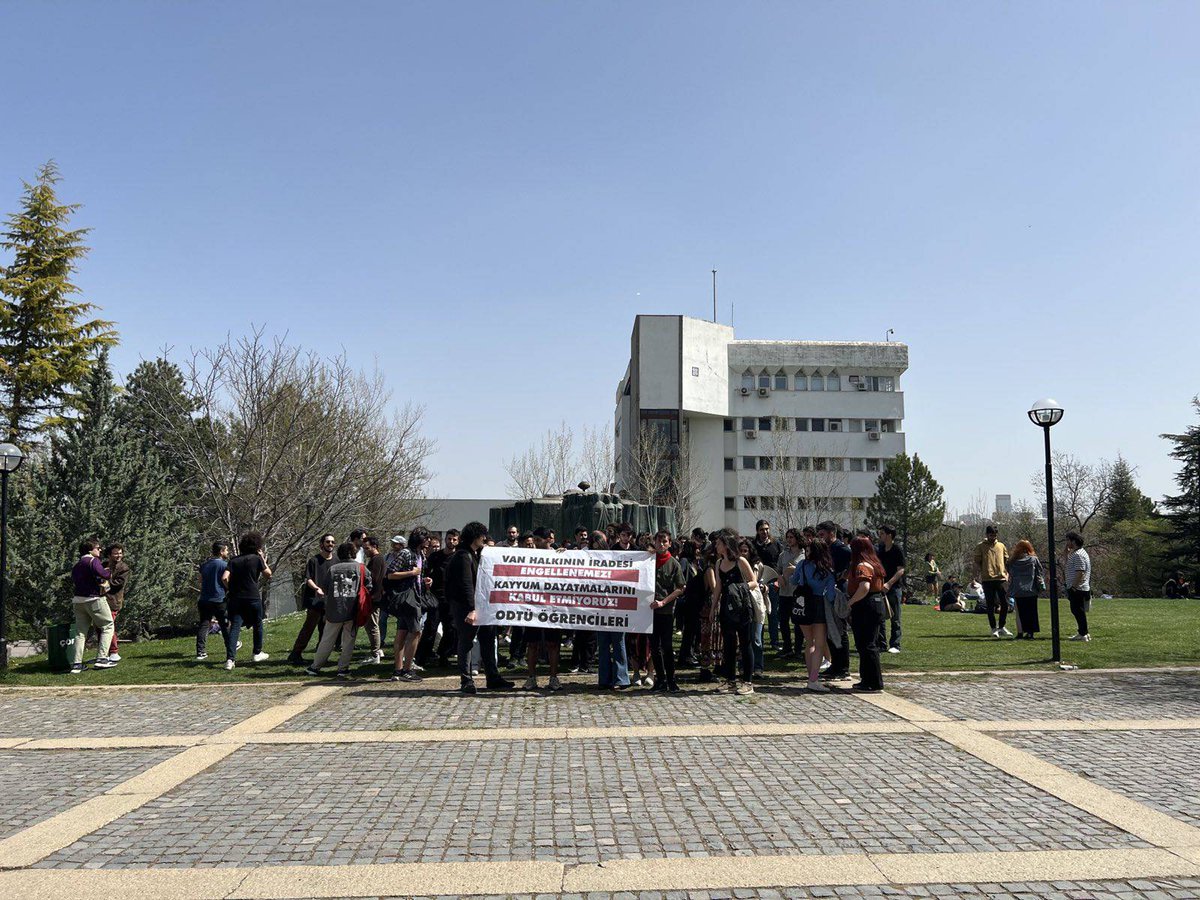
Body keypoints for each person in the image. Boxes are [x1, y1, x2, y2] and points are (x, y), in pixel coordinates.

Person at [446, 521, 514, 693]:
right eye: (482, 535)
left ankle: (493, 677)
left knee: (488, 639)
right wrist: (472, 609)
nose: (484, 538)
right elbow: (466, 585)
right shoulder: (463, 556)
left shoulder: (473, 554)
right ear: (474, 537)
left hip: (480, 605)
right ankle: (466, 680)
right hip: (467, 606)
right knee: (467, 641)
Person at [306, 542, 370, 677]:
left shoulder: (333, 569)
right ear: (354, 553)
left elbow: (326, 588)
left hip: (334, 610)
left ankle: (315, 667)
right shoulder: (361, 568)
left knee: (327, 639)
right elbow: (369, 586)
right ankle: (343, 668)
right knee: (348, 641)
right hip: (353, 610)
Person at [711, 528, 758, 695]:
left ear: (726, 545)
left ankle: (748, 681)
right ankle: (730, 680)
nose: (716, 545)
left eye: (718, 543)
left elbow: (754, 582)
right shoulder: (718, 563)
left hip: (743, 606)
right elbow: (718, 586)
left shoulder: (740, 561)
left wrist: (739, 588)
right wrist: (713, 607)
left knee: (746, 644)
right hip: (726, 607)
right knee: (729, 646)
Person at [790, 536, 834, 692]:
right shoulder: (826, 570)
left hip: (803, 604)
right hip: (818, 604)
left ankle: (811, 676)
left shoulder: (801, 564)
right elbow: (830, 595)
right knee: (820, 644)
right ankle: (813, 679)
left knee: (809, 642)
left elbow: (793, 581)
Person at [387, 529, 431, 682]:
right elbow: (391, 574)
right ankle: (406, 670)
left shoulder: (421, 555)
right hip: (408, 598)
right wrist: (412, 573)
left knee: (402, 632)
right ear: (419, 539)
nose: (428, 541)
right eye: (426, 538)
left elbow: (420, 574)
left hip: (416, 596)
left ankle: (398, 671)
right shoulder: (406, 553)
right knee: (415, 632)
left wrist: (425, 580)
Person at [225, 532, 272, 670]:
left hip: (236, 597)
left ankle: (230, 659)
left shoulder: (233, 561)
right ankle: (257, 653)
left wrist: (230, 589)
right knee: (258, 623)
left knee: (235, 627)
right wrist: (262, 558)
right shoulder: (256, 559)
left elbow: (224, 577)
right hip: (252, 596)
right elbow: (268, 574)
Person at [69, 539, 117, 673]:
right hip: (94, 600)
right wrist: (108, 572)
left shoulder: (77, 565)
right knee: (108, 626)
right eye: (98, 548)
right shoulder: (93, 561)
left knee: (80, 633)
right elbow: (104, 574)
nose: (100, 550)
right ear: (90, 550)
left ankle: (77, 664)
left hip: (78, 601)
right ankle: (102, 659)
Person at [524, 526, 564, 690]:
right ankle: (531, 677)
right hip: (533, 605)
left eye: (538, 540)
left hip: (552, 606)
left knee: (553, 644)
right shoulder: (528, 555)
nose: (535, 543)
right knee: (532, 644)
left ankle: (553, 678)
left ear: (549, 540)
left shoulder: (559, 555)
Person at [846, 536, 887, 693]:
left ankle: (874, 681)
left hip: (866, 605)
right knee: (866, 644)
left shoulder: (863, 566)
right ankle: (867, 679)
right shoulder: (874, 564)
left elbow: (864, 587)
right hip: (875, 603)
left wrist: (850, 602)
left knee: (867, 644)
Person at [288, 534, 334, 665]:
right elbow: (308, 579)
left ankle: (321, 656)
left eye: (332, 542)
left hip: (329, 601)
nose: (330, 544)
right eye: (327, 542)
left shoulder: (336, 560)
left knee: (325, 630)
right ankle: (295, 654)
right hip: (315, 600)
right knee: (309, 628)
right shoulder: (314, 560)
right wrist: (317, 589)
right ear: (321, 544)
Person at [648, 530, 685, 693]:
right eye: (659, 541)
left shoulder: (674, 564)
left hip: (666, 612)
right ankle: (660, 679)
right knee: (654, 647)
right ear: (654, 542)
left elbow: (680, 588)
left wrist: (664, 602)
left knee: (667, 647)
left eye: (665, 542)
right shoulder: (648, 560)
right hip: (648, 612)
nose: (661, 544)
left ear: (670, 544)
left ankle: (671, 679)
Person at [818, 521, 852, 683]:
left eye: (822, 533)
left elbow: (854, 563)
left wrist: (844, 575)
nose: (820, 537)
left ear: (832, 532)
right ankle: (835, 665)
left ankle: (843, 669)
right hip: (827, 591)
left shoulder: (842, 548)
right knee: (831, 631)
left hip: (839, 592)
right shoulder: (826, 549)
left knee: (840, 630)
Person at [418, 528, 457, 668]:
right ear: (445, 540)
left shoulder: (459, 557)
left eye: (454, 539)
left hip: (451, 599)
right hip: (435, 598)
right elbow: (425, 573)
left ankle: (443, 655)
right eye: (449, 539)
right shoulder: (435, 557)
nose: (451, 542)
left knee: (451, 629)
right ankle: (422, 657)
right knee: (431, 628)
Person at [973, 525, 1011, 638]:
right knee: (990, 605)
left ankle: (1002, 626)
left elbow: (1006, 560)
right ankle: (993, 628)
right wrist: (975, 576)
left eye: (995, 535)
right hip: (987, 579)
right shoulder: (980, 546)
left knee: (1004, 604)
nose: (993, 537)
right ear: (986, 535)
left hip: (1001, 578)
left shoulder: (1001, 545)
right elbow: (976, 562)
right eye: (991, 535)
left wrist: (1007, 573)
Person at [737, 538, 768, 676]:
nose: (743, 553)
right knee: (743, 638)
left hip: (756, 603)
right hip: (741, 603)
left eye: (745, 551)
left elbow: (762, 581)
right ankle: (743, 666)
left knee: (756, 638)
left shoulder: (758, 565)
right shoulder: (735, 564)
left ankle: (758, 667)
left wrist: (764, 587)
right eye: (741, 551)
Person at [196, 541, 231, 660]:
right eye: (226, 550)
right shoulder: (224, 565)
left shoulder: (204, 565)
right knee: (224, 624)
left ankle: (200, 652)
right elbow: (225, 579)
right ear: (221, 552)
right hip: (219, 599)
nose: (227, 552)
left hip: (204, 599)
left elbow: (200, 580)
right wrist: (228, 588)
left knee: (204, 624)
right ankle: (231, 645)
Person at [752, 519, 784, 651]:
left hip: (772, 583)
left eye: (766, 529)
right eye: (761, 529)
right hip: (756, 582)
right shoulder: (753, 545)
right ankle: (757, 639)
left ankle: (774, 641)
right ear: (757, 531)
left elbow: (780, 564)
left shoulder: (776, 544)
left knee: (773, 613)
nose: (764, 532)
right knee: (758, 613)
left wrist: (777, 581)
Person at [875, 525, 906, 654]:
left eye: (882, 533)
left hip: (894, 588)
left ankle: (895, 644)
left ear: (889, 535)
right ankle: (881, 644)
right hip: (880, 587)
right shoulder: (880, 549)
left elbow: (901, 570)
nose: (880, 535)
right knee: (880, 617)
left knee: (895, 617)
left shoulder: (897, 550)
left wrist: (889, 584)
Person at [1007, 541, 1044, 639]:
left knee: (1019, 613)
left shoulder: (1013, 562)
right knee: (1032, 612)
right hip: (1031, 589)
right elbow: (1039, 573)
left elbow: (1010, 573)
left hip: (1018, 590)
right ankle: (1030, 632)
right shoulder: (1033, 560)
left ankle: (1020, 632)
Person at [775, 529, 803, 658]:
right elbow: (778, 570)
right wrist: (779, 577)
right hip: (784, 592)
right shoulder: (783, 555)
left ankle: (798, 649)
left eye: (792, 537)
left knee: (797, 621)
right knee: (783, 620)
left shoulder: (804, 555)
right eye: (788, 537)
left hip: (797, 592)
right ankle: (787, 646)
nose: (789, 539)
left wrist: (795, 569)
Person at [100, 544, 130, 661]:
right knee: (100, 627)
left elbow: (118, 583)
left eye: (120, 553)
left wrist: (106, 580)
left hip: (113, 601)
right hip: (102, 600)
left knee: (108, 625)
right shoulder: (104, 565)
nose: (118, 555)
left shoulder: (123, 568)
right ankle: (103, 652)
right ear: (109, 555)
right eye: (116, 553)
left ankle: (113, 651)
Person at [362, 536, 388, 664]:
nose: (365, 551)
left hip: (374, 598)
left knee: (372, 626)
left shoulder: (377, 559)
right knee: (370, 625)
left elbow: (374, 578)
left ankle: (375, 652)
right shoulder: (375, 559)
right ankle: (375, 651)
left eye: (367, 548)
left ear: (375, 547)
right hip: (374, 597)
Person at [1065, 531, 1092, 642]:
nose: (1067, 543)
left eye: (1068, 540)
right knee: (1077, 611)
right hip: (1078, 587)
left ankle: (1083, 634)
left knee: (1078, 611)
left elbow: (1080, 572)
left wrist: (1074, 587)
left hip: (1078, 588)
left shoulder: (1079, 555)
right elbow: (1069, 564)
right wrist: (1065, 553)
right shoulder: (1077, 553)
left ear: (1073, 541)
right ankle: (1083, 632)